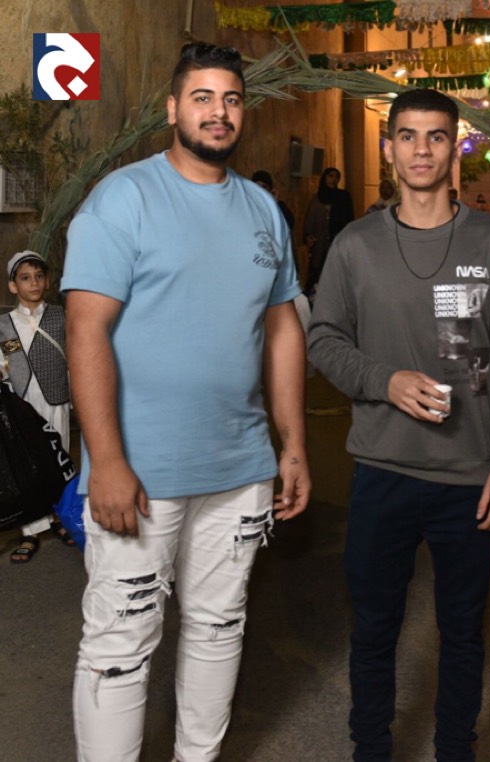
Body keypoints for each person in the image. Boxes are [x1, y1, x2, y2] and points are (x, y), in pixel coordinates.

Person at [62, 42, 310, 761]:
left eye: (231, 99)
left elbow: (282, 329)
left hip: (240, 467)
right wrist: (106, 461)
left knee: (218, 627)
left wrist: (293, 445)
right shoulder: (124, 199)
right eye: (202, 97)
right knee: (120, 642)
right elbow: (84, 330)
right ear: (173, 109)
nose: (218, 112)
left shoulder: (262, 210)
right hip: (142, 472)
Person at [307, 88, 490, 762]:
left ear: (453, 146)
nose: (421, 150)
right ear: (389, 149)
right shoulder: (356, 245)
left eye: (436, 136)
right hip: (384, 471)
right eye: (407, 136)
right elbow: (323, 339)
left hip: (472, 477)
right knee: (374, 629)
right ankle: (370, 749)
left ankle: (455, 750)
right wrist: (385, 381)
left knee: (462, 633)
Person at [2, 250, 75, 563]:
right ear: (13, 286)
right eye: (25, 278)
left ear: (46, 281)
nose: (33, 283)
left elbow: (76, 356)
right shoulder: (4, 324)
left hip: (56, 398)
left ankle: (61, 518)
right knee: (29, 463)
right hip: (21, 404)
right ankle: (31, 531)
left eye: (39, 276)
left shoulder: (62, 316)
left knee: (60, 459)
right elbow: (4, 363)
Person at [304, 166, 355, 292]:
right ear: (324, 178)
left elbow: (348, 220)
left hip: (337, 242)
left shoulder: (343, 197)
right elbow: (310, 218)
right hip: (319, 244)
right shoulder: (317, 198)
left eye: (336, 177)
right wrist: (308, 235)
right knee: (317, 275)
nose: (333, 179)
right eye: (330, 176)